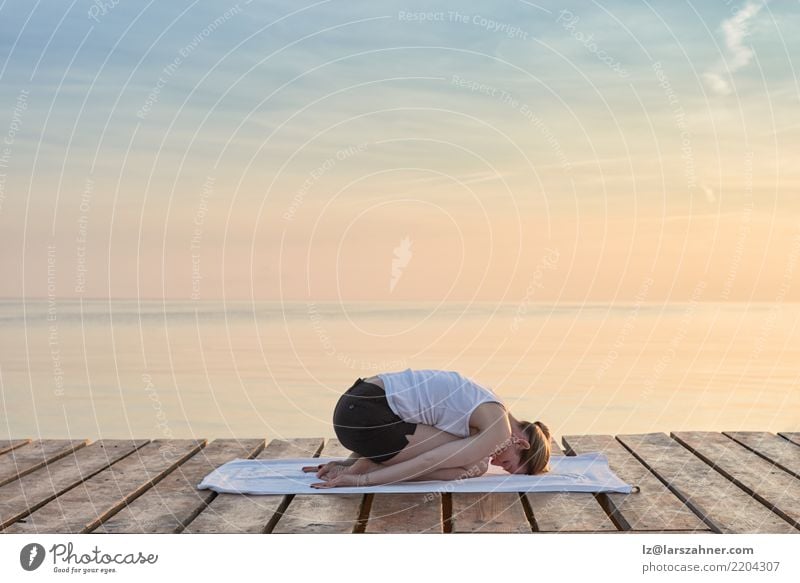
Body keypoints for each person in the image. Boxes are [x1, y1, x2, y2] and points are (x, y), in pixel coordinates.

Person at [302, 368, 551, 488]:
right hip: (366, 420)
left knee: (469, 459)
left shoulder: (491, 402)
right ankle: (369, 467)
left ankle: (361, 463)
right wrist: (361, 481)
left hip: (351, 408)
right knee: (474, 467)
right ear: (521, 443)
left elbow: (410, 417)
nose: (498, 465)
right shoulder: (500, 430)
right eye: (507, 464)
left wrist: (345, 462)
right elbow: (428, 460)